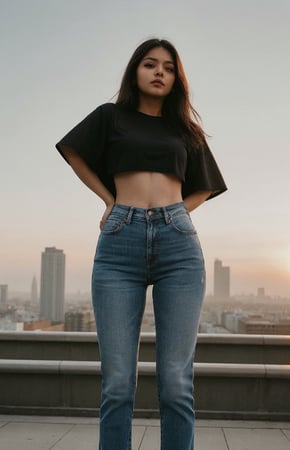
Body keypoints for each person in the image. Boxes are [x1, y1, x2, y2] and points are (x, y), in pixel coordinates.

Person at [56, 38, 227, 450]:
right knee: (117, 384)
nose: (159, 73)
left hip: (178, 247)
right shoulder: (110, 116)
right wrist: (110, 201)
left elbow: (205, 186)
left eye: (168, 68)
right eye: (150, 65)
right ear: (136, 71)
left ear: (176, 79)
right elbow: (72, 151)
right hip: (120, 242)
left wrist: (175, 213)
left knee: (175, 383)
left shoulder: (184, 130)